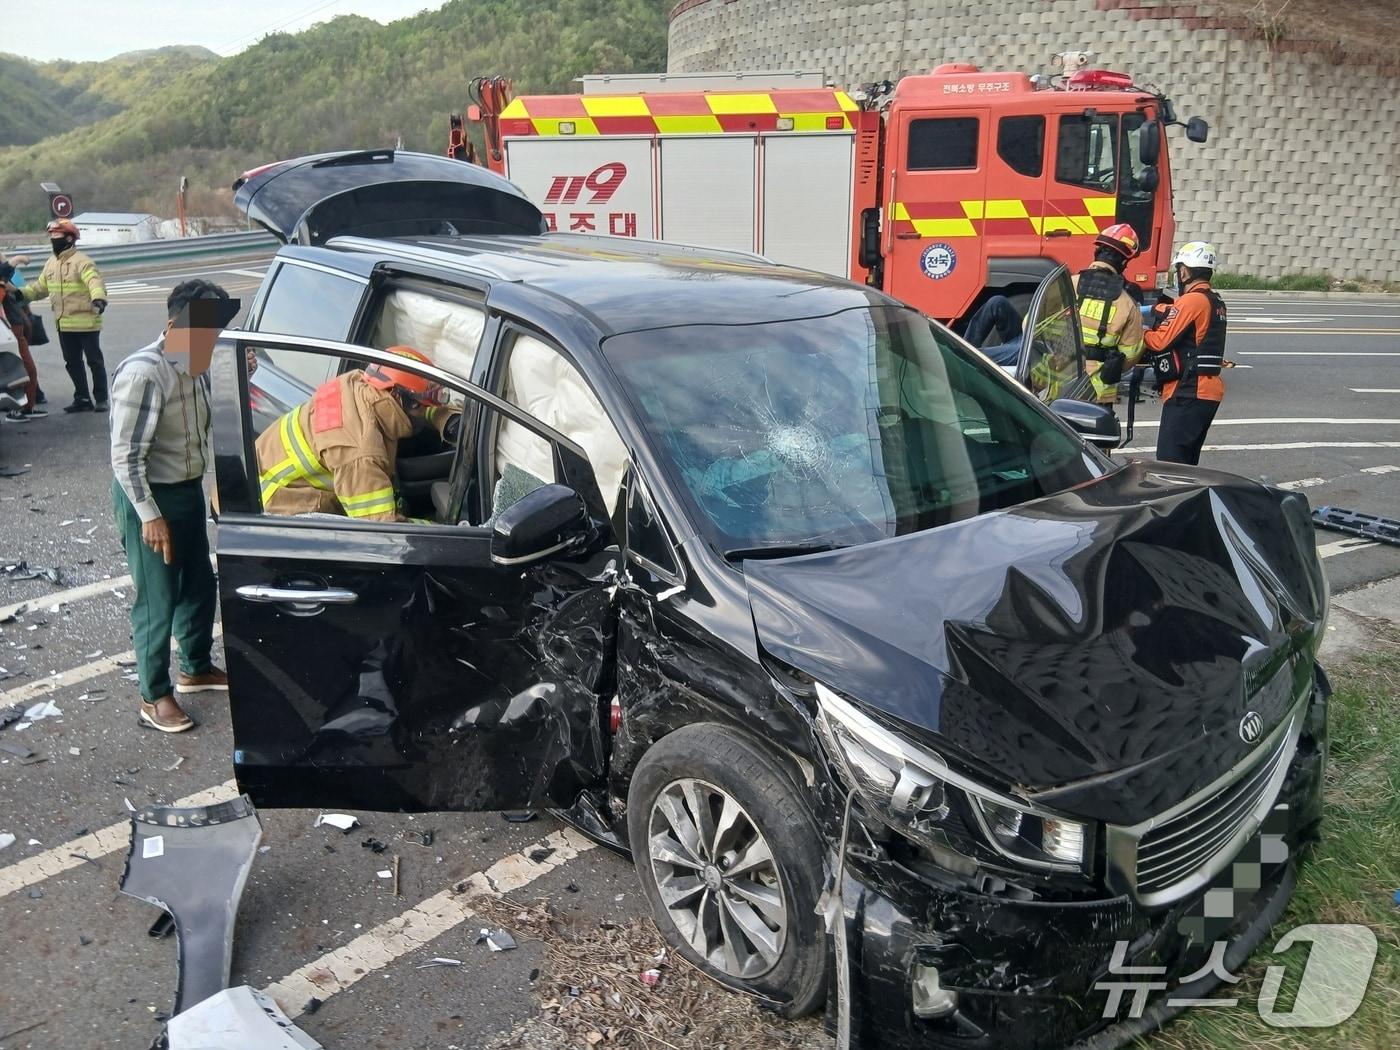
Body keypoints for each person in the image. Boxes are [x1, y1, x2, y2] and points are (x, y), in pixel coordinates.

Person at [110, 279, 240, 733]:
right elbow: (125, 457)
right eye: (205, 333)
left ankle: (196, 667)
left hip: (185, 491)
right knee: (158, 599)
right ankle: (154, 695)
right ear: (174, 325)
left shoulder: (199, 364)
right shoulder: (144, 372)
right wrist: (150, 516)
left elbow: (210, 425)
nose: (213, 342)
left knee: (199, 585)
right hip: (149, 496)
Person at [256, 346, 459, 521]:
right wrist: (440, 530)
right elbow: (383, 531)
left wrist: (444, 416)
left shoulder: (361, 383)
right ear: (397, 397)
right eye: (421, 406)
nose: (425, 412)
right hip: (278, 510)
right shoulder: (360, 452)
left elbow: (420, 405)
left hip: (266, 479)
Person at [963, 224, 1145, 394]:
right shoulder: (1127, 304)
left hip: (1044, 355)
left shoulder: (1066, 284)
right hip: (1064, 367)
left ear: (1097, 251)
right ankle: (960, 355)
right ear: (1124, 264)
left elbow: (1029, 325)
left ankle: (957, 356)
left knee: (994, 308)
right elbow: (1130, 357)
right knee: (993, 323)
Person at [1144, 241, 1227, 465]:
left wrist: (1140, 333)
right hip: (1206, 393)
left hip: (1188, 392)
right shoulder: (1214, 301)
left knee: (1170, 464)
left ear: (1185, 271)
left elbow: (1160, 341)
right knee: (1187, 464)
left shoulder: (1191, 300)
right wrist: (1156, 309)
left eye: (1179, 269)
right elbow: (1183, 318)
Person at [22, 219, 109, 413]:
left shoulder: (82, 262)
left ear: (70, 238)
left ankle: (101, 398)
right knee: (72, 363)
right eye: (51, 236)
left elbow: (94, 281)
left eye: (57, 236)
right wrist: (19, 294)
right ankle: (82, 398)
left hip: (87, 323)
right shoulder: (51, 263)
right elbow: (39, 288)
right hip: (64, 324)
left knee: (94, 361)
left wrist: (98, 299)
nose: (53, 240)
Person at [0, 262, 45, 422]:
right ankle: (18, 410)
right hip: (9, 332)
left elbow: (19, 298)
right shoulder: (3, 277)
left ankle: (27, 407)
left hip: (15, 330)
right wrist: (16, 259)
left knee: (28, 371)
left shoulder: (8, 280)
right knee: (22, 372)